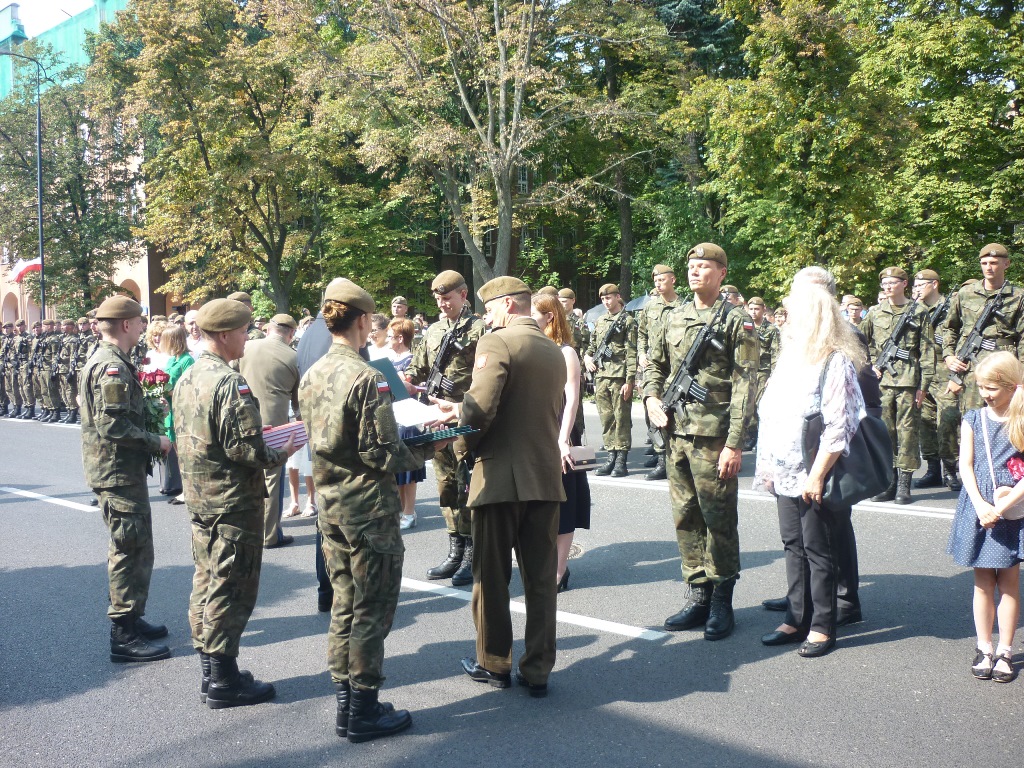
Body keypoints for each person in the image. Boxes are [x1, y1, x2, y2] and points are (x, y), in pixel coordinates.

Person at [298, 279, 440, 742]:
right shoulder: (366, 377)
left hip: (331, 505)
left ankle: (347, 702)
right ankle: (363, 708)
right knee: (371, 608)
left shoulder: (313, 373)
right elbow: (380, 452)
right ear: (363, 321)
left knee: (344, 603)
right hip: (367, 508)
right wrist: (431, 445)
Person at [432, 276, 567, 698]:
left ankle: (494, 662)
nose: (486, 316)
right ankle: (538, 668)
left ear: (508, 304)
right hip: (544, 477)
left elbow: (480, 411)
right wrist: (461, 408)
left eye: (489, 308)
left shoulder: (496, 342)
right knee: (541, 581)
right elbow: (529, 408)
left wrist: (458, 445)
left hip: (499, 478)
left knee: (490, 577)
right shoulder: (554, 349)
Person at [174, 298, 297, 709]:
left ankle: (212, 672)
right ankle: (224, 681)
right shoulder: (229, 382)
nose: (248, 338)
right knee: (232, 588)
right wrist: (282, 449)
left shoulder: (189, 375)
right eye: (244, 332)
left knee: (206, 580)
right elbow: (246, 450)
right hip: (232, 501)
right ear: (225, 335)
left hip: (202, 498)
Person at [644, 243, 756, 641]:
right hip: (676, 432)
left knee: (718, 518)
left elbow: (746, 383)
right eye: (691, 265)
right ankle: (698, 594)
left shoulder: (736, 319)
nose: (695, 271)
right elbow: (655, 364)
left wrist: (735, 443)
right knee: (686, 516)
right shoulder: (673, 315)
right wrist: (650, 397)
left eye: (704, 266)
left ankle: (722, 599)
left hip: (714, 436)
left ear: (721, 273)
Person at [754, 283, 867, 658]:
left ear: (813, 319)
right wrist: (768, 466)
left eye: (792, 314)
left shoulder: (835, 361)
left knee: (818, 549)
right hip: (784, 469)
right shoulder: (789, 359)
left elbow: (840, 425)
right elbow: (771, 415)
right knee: (793, 545)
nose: (785, 320)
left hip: (815, 470)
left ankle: (822, 626)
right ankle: (796, 617)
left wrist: (817, 475)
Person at [79, 295, 173, 663]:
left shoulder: (112, 360)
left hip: (121, 469)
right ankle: (123, 633)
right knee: (127, 548)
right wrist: (154, 440)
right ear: (126, 325)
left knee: (137, 545)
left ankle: (132, 615)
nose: (143, 328)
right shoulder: (111, 366)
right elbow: (112, 425)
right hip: (116, 471)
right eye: (140, 322)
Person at [403, 270, 487, 586]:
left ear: (463, 295)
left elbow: (487, 378)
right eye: (438, 299)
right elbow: (418, 367)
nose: (442, 304)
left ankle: (472, 552)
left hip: (465, 421)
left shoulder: (480, 329)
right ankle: (455, 549)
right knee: (446, 486)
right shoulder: (434, 330)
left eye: (447, 298)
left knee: (467, 485)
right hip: (435, 418)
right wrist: (406, 381)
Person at [946, 351, 1024, 683]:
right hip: (979, 507)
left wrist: (1002, 509)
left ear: (1011, 386)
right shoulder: (974, 418)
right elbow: (965, 465)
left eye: (991, 388)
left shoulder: (1021, 418)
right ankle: (984, 648)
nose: (984, 394)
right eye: (980, 387)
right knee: (982, 583)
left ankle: (1005, 650)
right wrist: (980, 506)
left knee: (1009, 583)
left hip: (1012, 509)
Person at [531, 293, 590, 593]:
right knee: (538, 504)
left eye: (533, 313)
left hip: (559, 434)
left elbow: (572, 400)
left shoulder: (566, 352)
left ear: (549, 317)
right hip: (535, 435)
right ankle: (543, 563)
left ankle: (559, 570)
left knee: (563, 503)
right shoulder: (532, 348)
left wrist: (563, 440)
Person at [862, 267, 933, 504]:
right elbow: (860, 342)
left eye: (893, 282)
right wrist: (870, 366)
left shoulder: (919, 312)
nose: (888, 287)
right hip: (881, 382)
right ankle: (889, 482)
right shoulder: (875, 312)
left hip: (909, 381)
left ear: (904, 284)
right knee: (885, 432)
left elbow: (927, 350)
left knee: (908, 432)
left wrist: (924, 385)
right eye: (885, 284)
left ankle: (904, 483)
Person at [238, 313, 301, 549]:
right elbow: (298, 401)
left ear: (269, 329)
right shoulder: (294, 356)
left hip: (243, 416)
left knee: (245, 472)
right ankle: (270, 534)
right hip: (275, 422)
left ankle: (247, 528)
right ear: (291, 333)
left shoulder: (247, 347)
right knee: (272, 477)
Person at [913, 269, 962, 492]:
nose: (917, 289)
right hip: (923, 373)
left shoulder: (951, 306)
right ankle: (932, 469)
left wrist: (956, 375)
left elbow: (961, 338)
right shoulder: (914, 310)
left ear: (934, 284)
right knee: (925, 423)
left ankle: (950, 470)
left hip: (945, 373)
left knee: (948, 421)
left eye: (921, 285)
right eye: (915, 285)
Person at [584, 283, 637, 477]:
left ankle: (621, 460)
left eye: (609, 298)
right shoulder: (600, 321)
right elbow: (592, 346)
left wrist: (629, 380)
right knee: (606, 419)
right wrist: (587, 357)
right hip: (602, 376)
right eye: (603, 299)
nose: (606, 302)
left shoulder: (628, 321)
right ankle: (611, 456)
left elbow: (632, 352)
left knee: (621, 419)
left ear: (617, 297)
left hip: (619, 377)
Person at [636, 265, 682, 480]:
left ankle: (676, 459)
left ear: (672, 280)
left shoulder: (683, 307)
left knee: (675, 413)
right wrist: (641, 353)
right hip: (654, 368)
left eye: (662, 280)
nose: (658, 284)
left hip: (676, 369)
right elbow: (642, 334)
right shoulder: (650, 307)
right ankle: (661, 459)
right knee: (653, 412)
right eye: (655, 281)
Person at [387, 317, 424, 530]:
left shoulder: (411, 360)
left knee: (409, 469)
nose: (388, 340)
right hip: (395, 415)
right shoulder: (392, 359)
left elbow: (412, 387)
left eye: (391, 336)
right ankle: (402, 510)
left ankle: (409, 512)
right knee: (398, 469)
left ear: (400, 338)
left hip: (409, 417)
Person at [159, 324, 194, 503]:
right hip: (171, 410)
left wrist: (169, 391)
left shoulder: (187, 360)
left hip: (182, 410)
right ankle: (186, 488)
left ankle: (189, 490)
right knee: (178, 452)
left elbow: (189, 388)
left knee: (184, 453)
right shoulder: (172, 359)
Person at [743, 297, 780, 452]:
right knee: (747, 404)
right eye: (751, 309)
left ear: (763, 309)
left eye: (756, 309)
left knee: (760, 404)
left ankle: (761, 436)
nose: (753, 312)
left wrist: (774, 375)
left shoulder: (771, 330)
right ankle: (750, 435)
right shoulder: (745, 327)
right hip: (746, 371)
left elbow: (776, 353)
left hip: (763, 371)